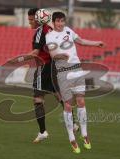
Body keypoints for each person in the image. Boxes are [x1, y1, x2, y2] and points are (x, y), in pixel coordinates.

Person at [12, 8, 78, 143]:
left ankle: (43, 131)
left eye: (31, 19)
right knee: (59, 96)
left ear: (38, 19)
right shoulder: (53, 29)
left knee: (37, 99)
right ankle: (75, 123)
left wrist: (19, 60)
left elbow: (36, 52)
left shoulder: (41, 31)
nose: (29, 22)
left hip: (45, 67)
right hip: (56, 67)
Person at [46, 12, 104, 153]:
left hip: (77, 69)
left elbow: (82, 41)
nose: (61, 23)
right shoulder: (50, 36)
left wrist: (96, 43)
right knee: (67, 105)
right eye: (58, 21)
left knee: (81, 102)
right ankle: (72, 138)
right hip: (64, 72)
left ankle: (84, 135)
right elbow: (53, 55)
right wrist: (61, 55)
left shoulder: (68, 30)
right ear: (53, 22)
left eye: (62, 21)